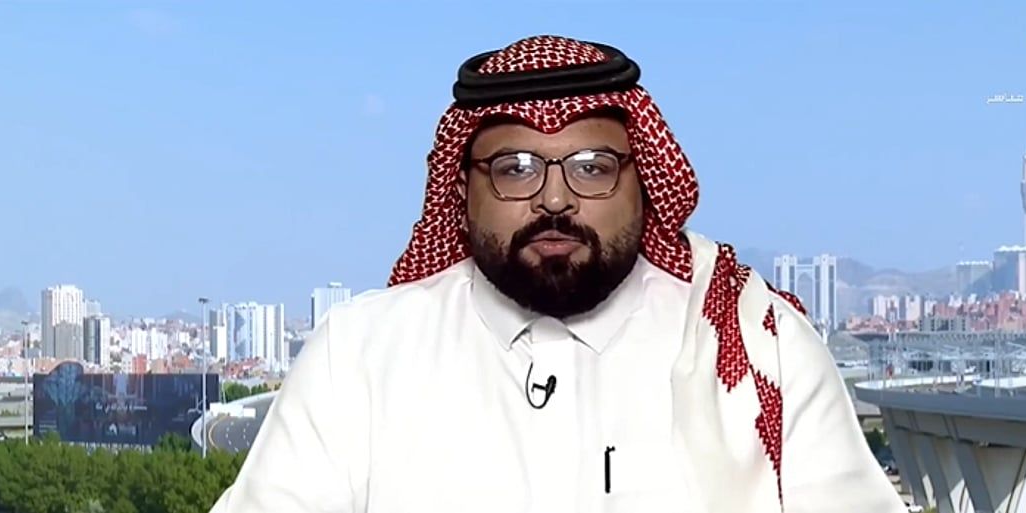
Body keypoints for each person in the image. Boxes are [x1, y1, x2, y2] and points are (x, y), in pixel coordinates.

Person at [210, 35, 905, 513]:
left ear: (642, 181)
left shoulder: (757, 344)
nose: (553, 199)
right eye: (514, 169)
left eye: (592, 168)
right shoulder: (361, 355)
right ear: (463, 188)